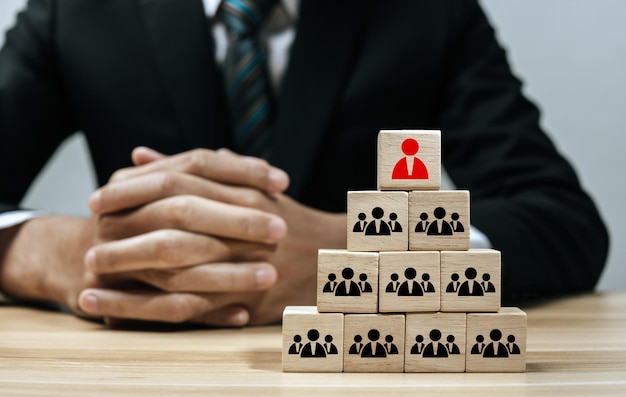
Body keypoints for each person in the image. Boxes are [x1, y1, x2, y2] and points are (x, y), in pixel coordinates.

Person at [0, 0, 609, 328]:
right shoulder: (70, 11)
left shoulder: (427, 12)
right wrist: (68, 256)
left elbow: (562, 222)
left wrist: (362, 255)